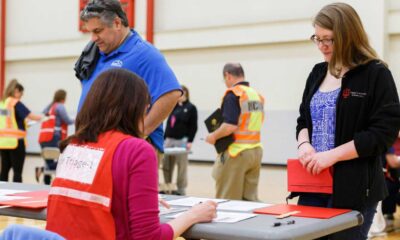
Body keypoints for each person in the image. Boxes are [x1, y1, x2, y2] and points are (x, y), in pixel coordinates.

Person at [46, 68, 216, 239]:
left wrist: (137, 199)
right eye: (146, 107)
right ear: (136, 108)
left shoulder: (74, 146)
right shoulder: (137, 150)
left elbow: (88, 201)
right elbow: (148, 238)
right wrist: (192, 215)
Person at [295, 3, 400, 239]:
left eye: (328, 39)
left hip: (355, 187)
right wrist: (304, 145)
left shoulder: (375, 73)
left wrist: (331, 155)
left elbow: (382, 133)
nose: (321, 46)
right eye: (317, 38)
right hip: (313, 183)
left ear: (347, 35)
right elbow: (303, 120)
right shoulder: (317, 72)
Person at [76, 0, 181, 159]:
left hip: (126, 150)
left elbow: (171, 93)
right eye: (90, 32)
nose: (93, 38)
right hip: (94, 146)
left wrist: (139, 133)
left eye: (98, 30)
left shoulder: (144, 54)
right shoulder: (93, 54)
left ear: (117, 23)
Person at [205, 63, 264, 201]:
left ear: (228, 75)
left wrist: (213, 136)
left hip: (236, 153)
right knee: (249, 201)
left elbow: (229, 126)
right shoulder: (255, 95)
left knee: (227, 201)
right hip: (255, 151)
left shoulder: (233, 94)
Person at [0, 79, 42, 182]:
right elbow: (31, 116)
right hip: (16, 142)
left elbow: (9, 120)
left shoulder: (3, 103)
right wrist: (45, 117)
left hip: (3, 143)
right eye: (21, 94)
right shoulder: (15, 103)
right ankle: (16, 195)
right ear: (16, 91)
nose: (21, 96)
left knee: (4, 171)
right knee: (17, 173)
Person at [163, 85, 198, 195]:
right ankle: (168, 186)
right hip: (169, 140)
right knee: (166, 164)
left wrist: (190, 141)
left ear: (186, 93)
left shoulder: (191, 108)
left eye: (181, 92)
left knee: (182, 166)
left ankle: (181, 188)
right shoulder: (173, 107)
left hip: (182, 140)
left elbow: (193, 126)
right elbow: (168, 124)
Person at [37, 89, 74, 185]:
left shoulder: (50, 107)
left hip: (43, 138)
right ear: (63, 98)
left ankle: (46, 182)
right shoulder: (60, 106)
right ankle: (43, 171)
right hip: (53, 137)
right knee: (63, 159)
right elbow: (68, 121)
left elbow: (43, 114)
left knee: (49, 161)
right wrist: (79, 119)